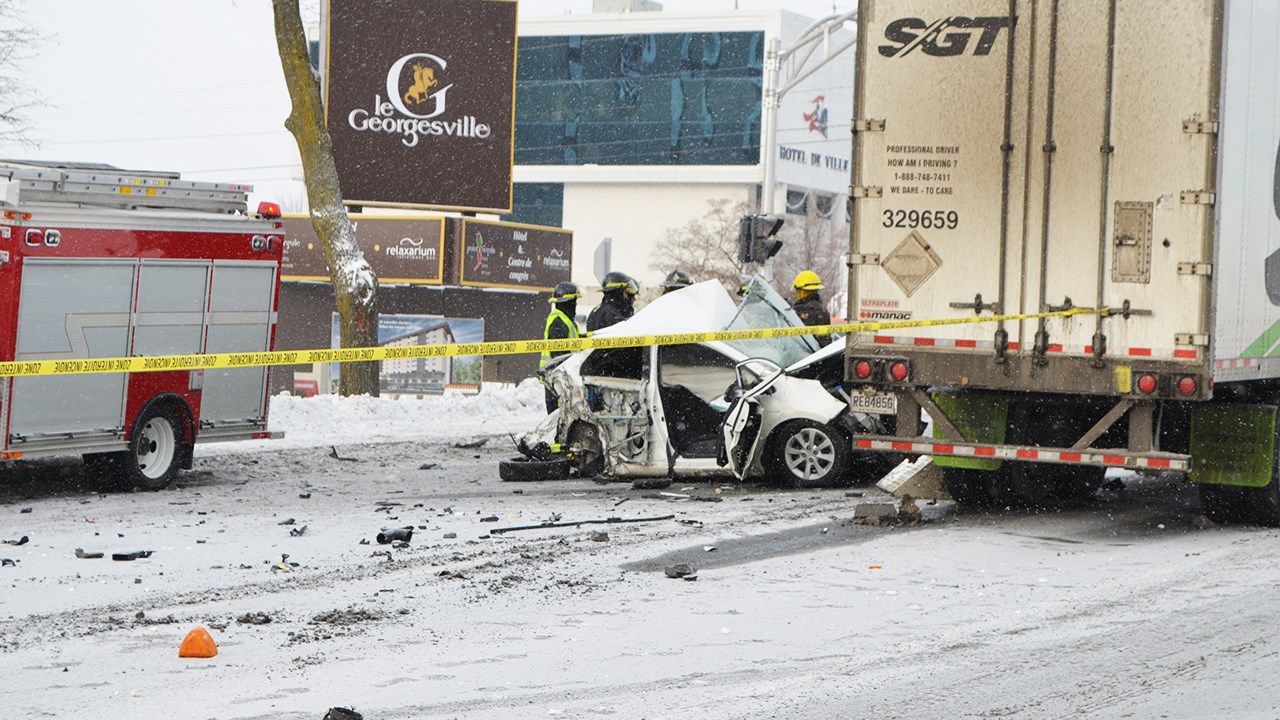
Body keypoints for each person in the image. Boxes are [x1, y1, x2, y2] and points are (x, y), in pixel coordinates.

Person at [540, 281, 582, 413]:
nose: (575, 306)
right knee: (558, 417)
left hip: (560, 378)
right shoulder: (559, 322)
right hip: (557, 378)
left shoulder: (567, 321)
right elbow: (560, 354)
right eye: (574, 302)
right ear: (569, 302)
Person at [791, 269, 832, 347]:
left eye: (797, 291)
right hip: (823, 352)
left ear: (801, 291)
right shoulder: (822, 308)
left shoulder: (805, 310)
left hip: (808, 355)